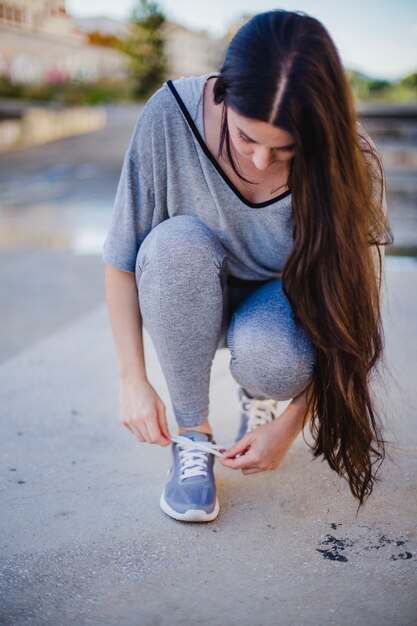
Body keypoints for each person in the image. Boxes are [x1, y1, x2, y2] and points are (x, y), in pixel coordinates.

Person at [103, 10, 393, 522]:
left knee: (277, 359)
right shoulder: (170, 114)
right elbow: (122, 258)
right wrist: (132, 380)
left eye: (286, 151)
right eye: (245, 139)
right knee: (175, 243)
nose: (261, 162)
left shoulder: (351, 158)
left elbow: (355, 309)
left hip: (277, 307)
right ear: (222, 95)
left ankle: (259, 395)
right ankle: (193, 437)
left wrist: (293, 421)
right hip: (183, 288)